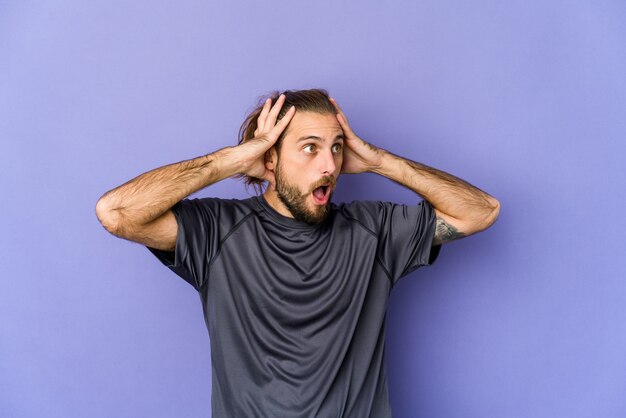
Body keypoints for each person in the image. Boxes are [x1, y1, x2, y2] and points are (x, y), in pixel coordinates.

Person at [95, 89, 500, 417]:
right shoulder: (216, 231)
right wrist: (229, 160)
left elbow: (482, 211)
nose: (329, 165)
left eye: (337, 148)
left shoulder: (374, 231)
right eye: (310, 148)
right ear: (269, 160)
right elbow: (116, 213)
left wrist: (380, 162)